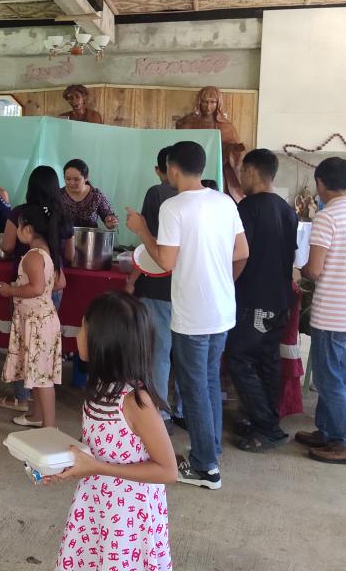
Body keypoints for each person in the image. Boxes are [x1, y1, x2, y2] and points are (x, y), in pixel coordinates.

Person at [126, 140, 249, 489]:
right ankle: (210, 450)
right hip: (222, 309)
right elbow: (242, 251)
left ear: (172, 169)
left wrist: (141, 229)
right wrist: (218, 277)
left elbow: (166, 261)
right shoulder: (224, 201)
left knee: (195, 387)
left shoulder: (174, 206)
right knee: (209, 381)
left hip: (193, 313)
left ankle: (205, 468)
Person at [48, 292, 176, 571]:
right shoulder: (100, 390)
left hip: (129, 519)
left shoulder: (136, 402)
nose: (78, 334)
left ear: (103, 342)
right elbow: (95, 446)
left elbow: (168, 470)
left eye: (83, 328)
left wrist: (97, 467)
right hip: (97, 506)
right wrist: (61, 463)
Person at [295, 157, 346, 465]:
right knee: (334, 375)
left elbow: (315, 270)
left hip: (333, 313)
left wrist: (300, 270)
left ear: (320, 183)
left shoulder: (327, 218)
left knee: (329, 381)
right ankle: (329, 432)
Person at [226, 149, 297, 452]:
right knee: (267, 361)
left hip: (255, 300)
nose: (240, 177)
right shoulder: (287, 209)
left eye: (242, 171)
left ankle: (267, 427)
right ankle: (266, 419)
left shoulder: (248, 207)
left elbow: (239, 254)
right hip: (279, 299)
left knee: (239, 358)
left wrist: (227, 282)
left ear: (252, 172)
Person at [0, 165, 73, 413]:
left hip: (29, 302)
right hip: (49, 300)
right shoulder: (60, 217)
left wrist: (9, 290)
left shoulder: (23, 218)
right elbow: (68, 260)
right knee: (40, 358)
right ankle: (36, 412)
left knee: (28, 350)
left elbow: (7, 246)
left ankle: (22, 399)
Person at [0, 205, 65, 429]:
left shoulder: (33, 256)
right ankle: (36, 415)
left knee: (42, 378)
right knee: (35, 371)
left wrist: (10, 290)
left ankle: (49, 427)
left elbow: (36, 288)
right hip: (40, 319)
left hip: (37, 322)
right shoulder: (47, 251)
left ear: (28, 229)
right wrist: (25, 286)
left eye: (18, 226)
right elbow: (59, 283)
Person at [128, 146, 177, 426]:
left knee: (158, 352)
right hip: (189, 289)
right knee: (185, 355)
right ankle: (181, 410)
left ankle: (159, 414)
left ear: (160, 170)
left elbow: (150, 243)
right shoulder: (208, 196)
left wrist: (132, 280)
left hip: (159, 285)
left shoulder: (157, 193)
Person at [176, 85, 246, 202]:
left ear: (218, 103)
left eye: (213, 102)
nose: (208, 106)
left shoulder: (226, 126)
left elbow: (231, 151)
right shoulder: (189, 123)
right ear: (199, 102)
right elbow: (181, 142)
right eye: (205, 102)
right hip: (192, 168)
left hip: (217, 168)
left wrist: (233, 149)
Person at [61, 159, 118, 229]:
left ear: (86, 177)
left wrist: (111, 223)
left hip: (90, 236)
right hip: (63, 236)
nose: (72, 183)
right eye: (68, 179)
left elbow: (109, 218)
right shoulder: (58, 195)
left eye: (76, 179)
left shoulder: (96, 195)